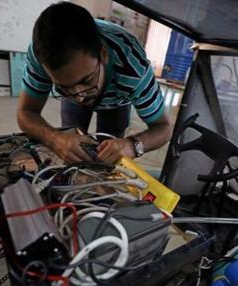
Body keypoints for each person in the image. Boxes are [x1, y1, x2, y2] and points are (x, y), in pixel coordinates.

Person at [17, 2, 171, 164]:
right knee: (71, 143)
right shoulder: (41, 55)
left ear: (103, 54)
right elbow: (26, 112)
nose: (80, 97)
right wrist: (54, 139)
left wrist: (132, 146)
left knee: (111, 148)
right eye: (63, 86)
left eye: (86, 80)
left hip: (117, 101)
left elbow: (164, 128)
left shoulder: (133, 67)